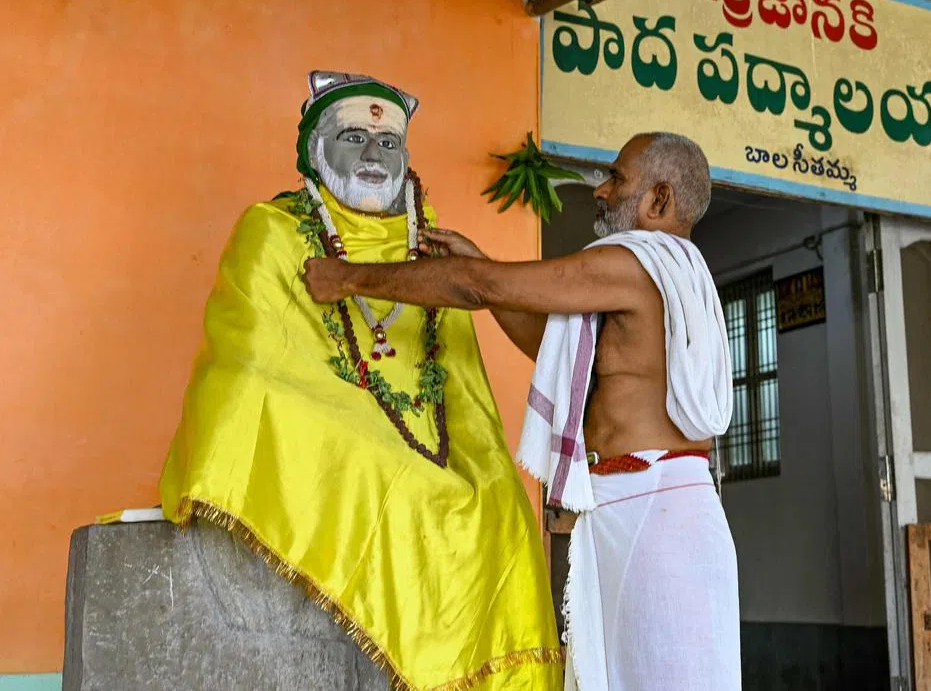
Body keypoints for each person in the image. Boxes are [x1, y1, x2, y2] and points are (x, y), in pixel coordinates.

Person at [160, 71, 563, 690]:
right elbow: (249, 355)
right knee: (240, 397)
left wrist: (466, 270)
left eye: (389, 142)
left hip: (423, 434)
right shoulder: (272, 229)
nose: (375, 155)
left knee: (500, 493)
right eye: (355, 137)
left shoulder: (428, 241)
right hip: (328, 420)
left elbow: (461, 384)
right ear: (317, 152)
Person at [303, 132, 742, 690]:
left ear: (659, 201)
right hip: (646, 504)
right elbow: (556, 356)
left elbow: (476, 288)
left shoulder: (633, 264)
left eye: (616, 178)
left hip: (654, 515)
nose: (601, 192)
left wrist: (348, 278)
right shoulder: (677, 274)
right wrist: (483, 269)